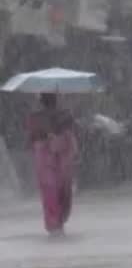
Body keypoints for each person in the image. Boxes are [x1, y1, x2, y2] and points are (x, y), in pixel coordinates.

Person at [26, 93, 78, 237]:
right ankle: (59, 221)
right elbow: (72, 132)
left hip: (45, 157)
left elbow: (30, 138)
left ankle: (54, 224)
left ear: (41, 102)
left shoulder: (35, 118)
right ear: (56, 100)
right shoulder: (66, 115)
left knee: (50, 190)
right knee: (62, 189)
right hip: (60, 156)